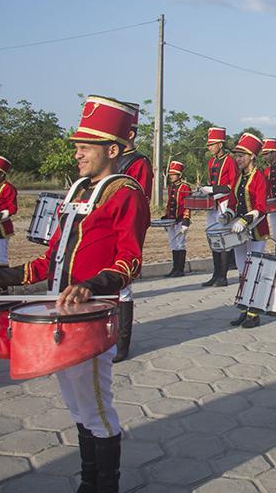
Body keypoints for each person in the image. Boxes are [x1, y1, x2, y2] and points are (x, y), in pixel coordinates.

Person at [0, 94, 149, 493]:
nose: (77, 154)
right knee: (77, 407)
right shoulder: (77, 190)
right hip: (62, 315)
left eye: (84, 147)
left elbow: (130, 262)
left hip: (90, 318)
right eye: (76, 146)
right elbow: (50, 261)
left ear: (112, 149)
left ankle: (104, 485)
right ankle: (88, 481)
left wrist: (90, 286)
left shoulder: (126, 192)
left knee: (97, 408)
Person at [112, 102, 151, 363]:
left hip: (125, 228)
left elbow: (140, 200)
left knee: (122, 285)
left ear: (130, 134)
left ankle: (122, 343)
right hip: (107, 225)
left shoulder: (139, 162)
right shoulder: (112, 159)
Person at [228, 132, 271, 329]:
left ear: (252, 156)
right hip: (238, 230)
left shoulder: (259, 177)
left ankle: (254, 313)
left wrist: (245, 220)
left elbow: (262, 207)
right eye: (236, 155)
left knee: (254, 270)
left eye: (241, 156)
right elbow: (233, 200)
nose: (237, 159)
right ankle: (244, 308)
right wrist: (227, 214)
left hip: (256, 230)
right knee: (241, 270)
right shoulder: (239, 176)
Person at [200, 126, 239, 288]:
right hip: (214, 203)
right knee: (212, 237)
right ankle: (215, 274)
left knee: (223, 238)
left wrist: (214, 190)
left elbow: (233, 184)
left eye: (212, 144)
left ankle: (223, 276)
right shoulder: (212, 161)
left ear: (220, 144)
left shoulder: (230, 160)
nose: (209, 147)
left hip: (224, 201)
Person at [162, 160, 192, 277]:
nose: (172, 176)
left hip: (181, 219)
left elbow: (188, 205)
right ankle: (174, 268)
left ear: (180, 175)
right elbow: (170, 203)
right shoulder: (171, 187)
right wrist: (166, 216)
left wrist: (186, 219)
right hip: (171, 219)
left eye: (174, 174)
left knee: (180, 243)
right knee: (173, 244)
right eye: (170, 174)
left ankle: (180, 269)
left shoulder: (185, 187)